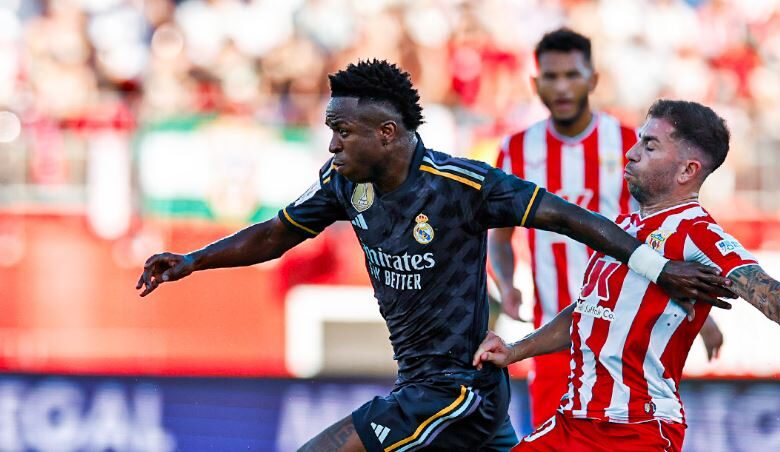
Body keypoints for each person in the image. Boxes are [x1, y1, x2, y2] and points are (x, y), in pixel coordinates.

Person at [136, 61, 732, 452]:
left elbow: (567, 217)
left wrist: (656, 266)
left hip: (458, 388)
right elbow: (275, 234)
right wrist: (194, 260)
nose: (332, 143)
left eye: (342, 130)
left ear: (386, 134)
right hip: (436, 382)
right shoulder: (344, 182)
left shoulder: (463, 186)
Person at [474, 99, 780, 451]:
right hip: (571, 424)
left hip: (636, 430)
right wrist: (514, 351)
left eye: (650, 146)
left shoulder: (698, 233)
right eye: (638, 141)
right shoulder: (623, 228)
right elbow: (587, 312)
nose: (631, 154)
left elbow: (770, 296)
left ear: (687, 170)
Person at [488, 28, 723, 427]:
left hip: (627, 332)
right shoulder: (516, 150)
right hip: (551, 338)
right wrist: (507, 284)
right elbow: (501, 237)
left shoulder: (631, 144)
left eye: (572, 75)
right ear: (535, 83)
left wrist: (702, 313)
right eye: (551, 76)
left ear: (593, 79)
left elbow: (664, 230)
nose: (562, 87)